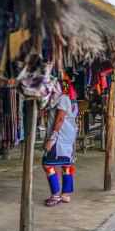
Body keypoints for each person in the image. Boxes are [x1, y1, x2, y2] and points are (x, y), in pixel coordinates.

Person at [42, 72, 79, 207]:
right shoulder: (72, 98)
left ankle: (55, 195)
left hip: (60, 136)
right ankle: (65, 194)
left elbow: (60, 118)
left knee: (47, 164)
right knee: (66, 164)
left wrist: (52, 139)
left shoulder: (63, 98)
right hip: (68, 136)